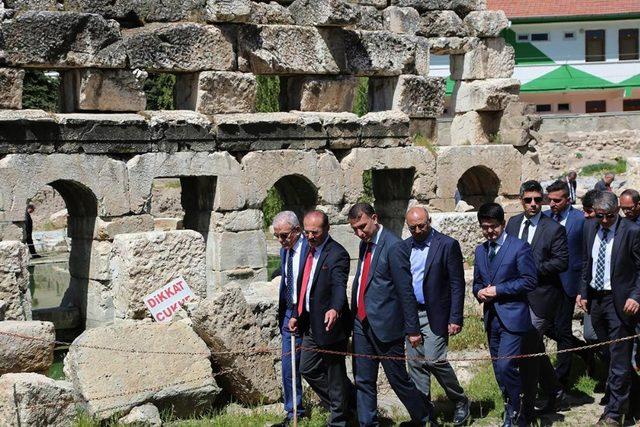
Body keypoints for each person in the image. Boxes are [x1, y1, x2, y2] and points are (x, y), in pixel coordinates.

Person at [347, 203, 433, 427]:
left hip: (386, 326)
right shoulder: (364, 244)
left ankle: (424, 417)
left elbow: (405, 291)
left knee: (398, 380)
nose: (359, 232)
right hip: (362, 323)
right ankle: (368, 423)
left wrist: (413, 329)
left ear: (374, 218)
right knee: (363, 379)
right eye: (355, 229)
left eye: (362, 226)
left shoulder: (393, 246)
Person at [399, 206, 470, 426]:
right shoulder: (404, 247)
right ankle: (424, 413)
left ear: (429, 221)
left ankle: (460, 400)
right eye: (413, 228)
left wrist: (456, 317)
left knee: (434, 359)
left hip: (436, 313)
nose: (418, 230)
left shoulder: (447, 245)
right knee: (417, 364)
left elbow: (457, 284)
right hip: (412, 313)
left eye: (422, 225)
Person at [577, 191, 640, 426]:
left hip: (621, 302)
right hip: (596, 300)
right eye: (600, 216)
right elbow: (586, 262)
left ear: (618, 212)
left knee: (619, 356)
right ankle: (632, 398)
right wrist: (583, 291)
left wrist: (636, 296)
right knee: (608, 353)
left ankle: (614, 414)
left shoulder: (632, 232)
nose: (604, 221)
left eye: (610, 216)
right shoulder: (589, 228)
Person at [506, 180, 568, 418]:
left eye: (537, 200)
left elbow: (561, 262)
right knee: (534, 347)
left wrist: (530, 269)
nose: (533, 204)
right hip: (515, 296)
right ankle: (554, 390)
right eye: (528, 200)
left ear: (542, 200)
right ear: (521, 200)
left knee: (527, 347)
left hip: (540, 298)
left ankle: (527, 406)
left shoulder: (553, 229)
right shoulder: (512, 224)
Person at [473, 203, 537, 427]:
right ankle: (512, 410)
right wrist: (479, 292)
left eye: (493, 227)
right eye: (485, 227)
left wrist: (498, 290)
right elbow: (478, 283)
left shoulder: (519, 247)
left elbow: (529, 281)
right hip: (492, 319)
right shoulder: (481, 250)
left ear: (502, 224)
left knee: (506, 366)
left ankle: (520, 411)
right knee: (498, 371)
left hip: (513, 317)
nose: (489, 231)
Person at [289, 210, 352, 427]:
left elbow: (338, 286)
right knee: (307, 368)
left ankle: (339, 419)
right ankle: (346, 402)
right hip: (310, 325)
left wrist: (335, 308)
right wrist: (297, 314)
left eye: (315, 232)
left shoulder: (337, 254)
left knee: (335, 375)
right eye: (306, 232)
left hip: (331, 325)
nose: (310, 236)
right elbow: (304, 286)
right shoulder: (309, 251)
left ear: (327, 229)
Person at [544, 180, 593, 389]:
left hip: (569, 283)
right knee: (545, 326)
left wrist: (583, 289)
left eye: (557, 200)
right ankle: (583, 350)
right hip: (546, 283)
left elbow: (586, 256)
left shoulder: (579, 220)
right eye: (550, 200)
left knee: (563, 329)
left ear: (568, 199)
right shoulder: (544, 218)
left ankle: (561, 379)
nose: (552, 204)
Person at [273, 211, 307, 426]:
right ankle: (293, 411)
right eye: (277, 235)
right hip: (288, 313)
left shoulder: (309, 249)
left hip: (308, 314)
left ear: (297, 231)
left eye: (284, 235)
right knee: (288, 365)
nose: (280, 240)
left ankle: (342, 405)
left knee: (314, 367)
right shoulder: (284, 250)